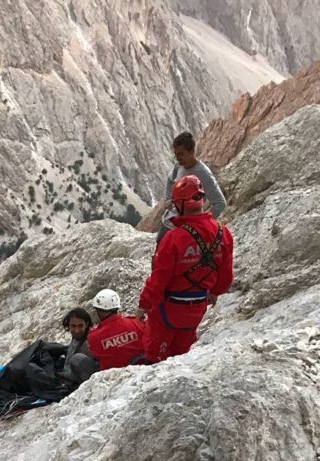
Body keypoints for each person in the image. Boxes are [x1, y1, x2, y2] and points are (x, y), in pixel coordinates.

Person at [137, 175, 234, 364]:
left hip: (168, 310)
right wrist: (213, 292)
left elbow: (159, 279)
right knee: (183, 354)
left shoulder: (174, 238)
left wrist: (144, 304)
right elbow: (225, 277)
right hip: (197, 308)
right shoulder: (223, 233)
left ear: (180, 204)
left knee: (155, 355)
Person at [157, 131, 226, 242]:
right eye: (176, 155)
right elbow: (170, 180)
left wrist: (201, 224)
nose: (178, 158)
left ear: (192, 151)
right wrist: (167, 199)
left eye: (181, 154)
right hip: (168, 223)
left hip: (186, 231)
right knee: (158, 255)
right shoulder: (179, 165)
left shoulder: (204, 174)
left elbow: (220, 203)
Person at [86, 289, 147, 369]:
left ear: (99, 311)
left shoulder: (93, 337)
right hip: (141, 369)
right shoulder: (136, 323)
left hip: (112, 378)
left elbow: (93, 353)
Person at [61, 307, 99, 386]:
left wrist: (58, 375)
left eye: (80, 326)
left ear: (87, 324)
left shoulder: (90, 342)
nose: (76, 330)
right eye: (73, 326)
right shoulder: (77, 338)